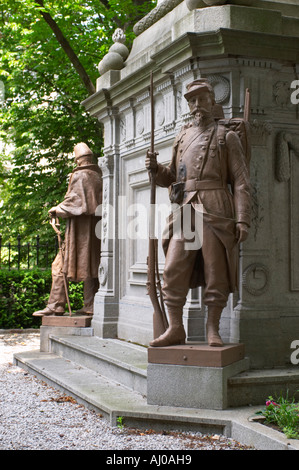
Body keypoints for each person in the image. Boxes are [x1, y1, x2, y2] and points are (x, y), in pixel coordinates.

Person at [145, 79, 251, 347]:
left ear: (211, 100)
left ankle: (212, 329)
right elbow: (171, 177)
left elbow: (240, 181)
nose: (196, 105)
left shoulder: (227, 137)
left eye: (201, 99)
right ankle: (176, 328)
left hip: (216, 208)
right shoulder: (181, 137)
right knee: (172, 269)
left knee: (216, 272)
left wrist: (243, 219)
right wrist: (156, 170)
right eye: (191, 101)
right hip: (186, 209)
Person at [33, 143, 102, 317]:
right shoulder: (97, 176)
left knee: (59, 264)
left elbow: (75, 202)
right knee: (91, 266)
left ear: (78, 160)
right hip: (94, 231)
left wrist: (57, 209)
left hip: (80, 232)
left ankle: (56, 305)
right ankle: (90, 305)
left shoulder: (80, 175)